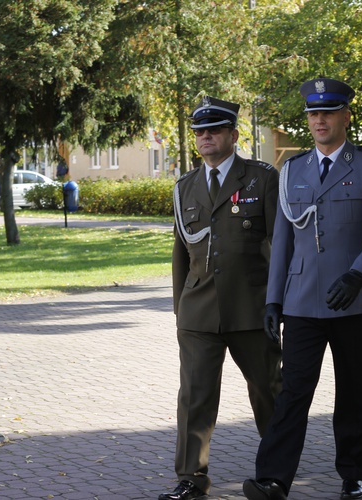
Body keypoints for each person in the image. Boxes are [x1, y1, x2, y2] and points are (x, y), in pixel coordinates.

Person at [243, 78, 362, 500]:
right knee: (292, 391)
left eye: (328, 112)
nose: (320, 120)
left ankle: (353, 472)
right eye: (313, 114)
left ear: (346, 116)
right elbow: (283, 242)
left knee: (355, 390)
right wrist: (274, 299)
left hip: (355, 302)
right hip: (301, 303)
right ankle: (273, 479)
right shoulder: (292, 170)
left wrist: (359, 274)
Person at [159, 96, 283, 500]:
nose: (205, 137)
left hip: (252, 305)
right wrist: (181, 309)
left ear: (233, 134)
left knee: (267, 390)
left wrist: (278, 301)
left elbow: (281, 244)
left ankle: (274, 473)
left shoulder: (261, 178)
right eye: (199, 131)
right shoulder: (184, 188)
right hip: (199, 311)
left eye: (214, 130)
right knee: (195, 398)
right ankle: (191, 479)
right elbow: (181, 253)